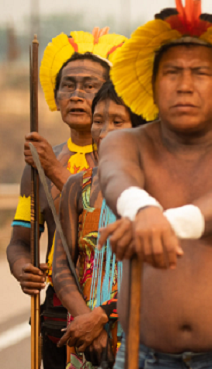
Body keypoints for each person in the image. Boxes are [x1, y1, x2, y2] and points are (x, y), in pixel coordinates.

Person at [97, 0, 212, 368]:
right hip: (141, 355)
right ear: (152, 83)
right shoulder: (123, 142)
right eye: (172, 72)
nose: (185, 85)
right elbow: (117, 179)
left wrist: (155, 224)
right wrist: (142, 208)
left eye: (200, 73)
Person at [5, 27, 126, 369]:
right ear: (55, 96)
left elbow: (93, 208)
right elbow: (20, 239)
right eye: (68, 85)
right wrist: (22, 268)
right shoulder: (37, 166)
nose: (76, 94)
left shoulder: (131, 165)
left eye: (89, 86)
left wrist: (53, 172)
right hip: (60, 317)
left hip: (118, 312)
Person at [52, 82, 150, 368]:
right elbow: (62, 266)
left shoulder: (157, 186)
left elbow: (159, 271)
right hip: (85, 338)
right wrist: (86, 321)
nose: (104, 131)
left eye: (117, 121)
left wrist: (102, 317)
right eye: (98, 121)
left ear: (139, 128)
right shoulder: (76, 186)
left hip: (143, 335)